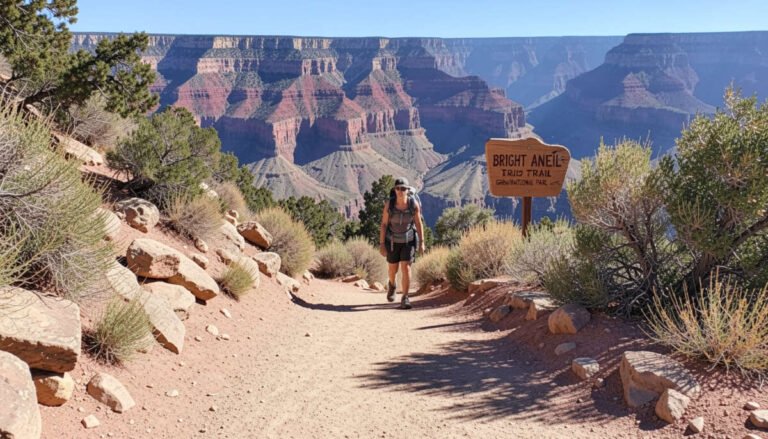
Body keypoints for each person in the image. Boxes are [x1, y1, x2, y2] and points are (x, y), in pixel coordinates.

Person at [379, 177, 425, 309]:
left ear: (407, 190)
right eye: (398, 188)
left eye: (403, 188)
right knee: (393, 269)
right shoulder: (390, 205)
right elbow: (383, 224)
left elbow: (418, 223)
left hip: (408, 241)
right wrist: (382, 244)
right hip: (392, 241)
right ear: (394, 190)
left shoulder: (413, 204)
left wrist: (422, 242)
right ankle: (392, 285)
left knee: (406, 267)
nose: (400, 191)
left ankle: (405, 297)